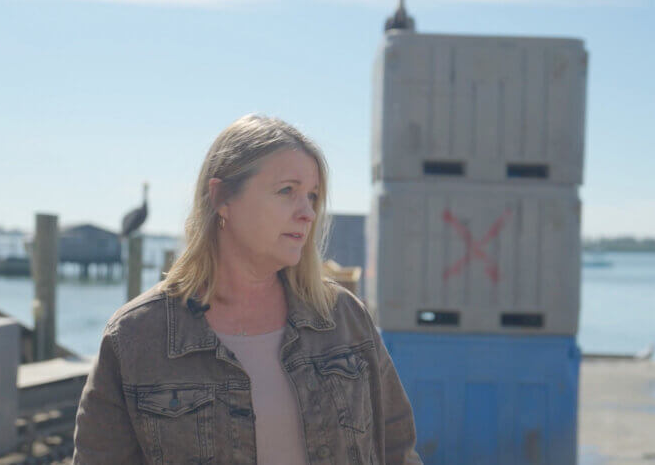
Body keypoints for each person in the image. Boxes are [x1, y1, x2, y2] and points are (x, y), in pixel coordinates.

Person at [73, 114, 422, 464]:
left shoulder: (344, 318)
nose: (308, 213)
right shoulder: (136, 336)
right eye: (287, 191)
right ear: (221, 197)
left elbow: (398, 450)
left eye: (312, 196)